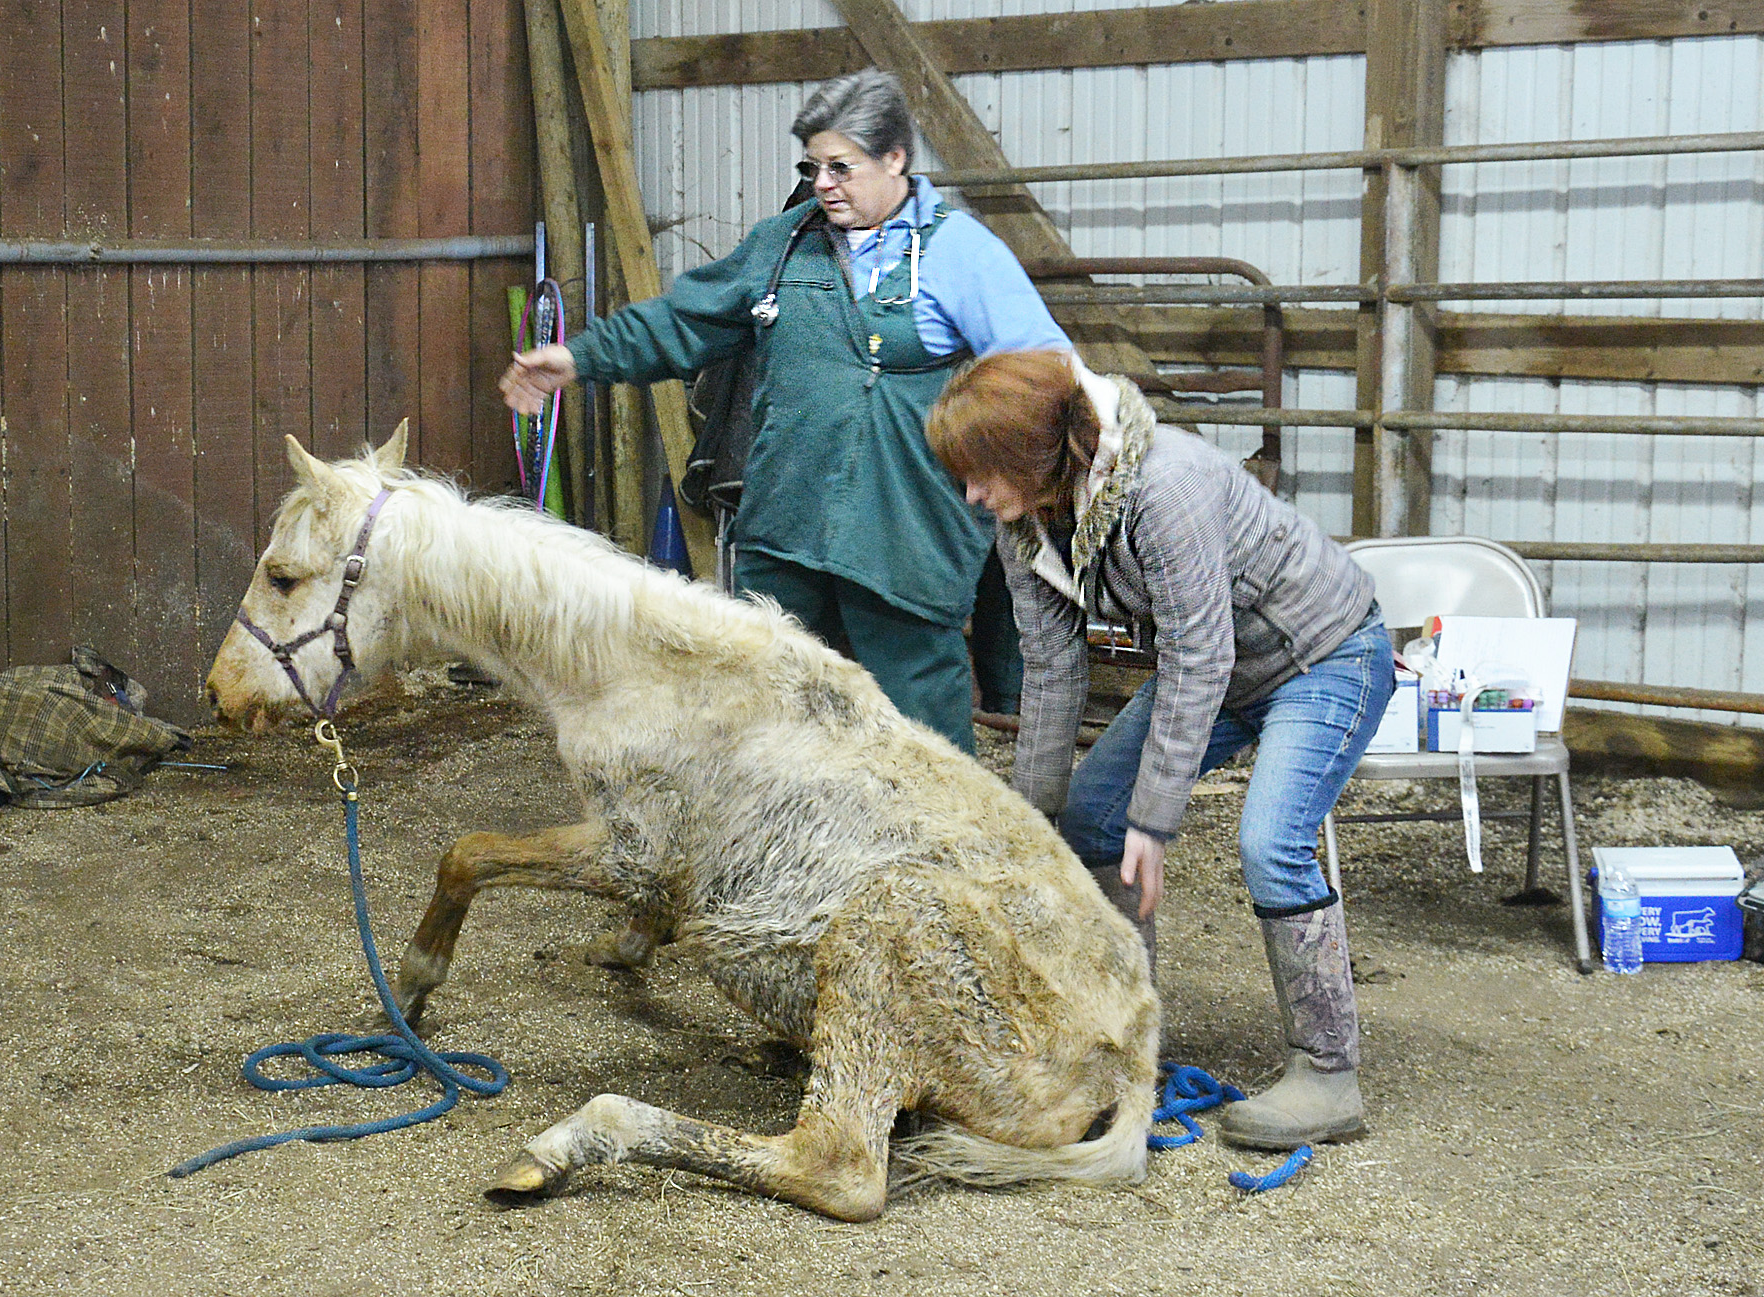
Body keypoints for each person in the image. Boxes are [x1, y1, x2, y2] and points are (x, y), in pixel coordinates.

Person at [499, 69, 1068, 753]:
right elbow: (684, 320)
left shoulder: (961, 255)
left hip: (904, 543)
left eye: (841, 167)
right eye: (813, 166)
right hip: (784, 535)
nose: (823, 183)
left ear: (895, 160)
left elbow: (1044, 376)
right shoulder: (784, 244)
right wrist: (581, 358)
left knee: (919, 746)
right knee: (769, 728)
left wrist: (1018, 486)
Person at [925, 349, 1394, 1151]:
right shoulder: (1029, 516)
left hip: (1323, 653)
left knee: (1270, 843)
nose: (972, 492)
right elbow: (1051, 664)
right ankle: (1127, 1040)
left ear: (1040, 453)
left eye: (982, 470)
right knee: (1086, 823)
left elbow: (1198, 654)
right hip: (1220, 668)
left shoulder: (1163, 487)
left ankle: (1328, 1071)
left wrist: (1157, 818)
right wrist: (1030, 823)